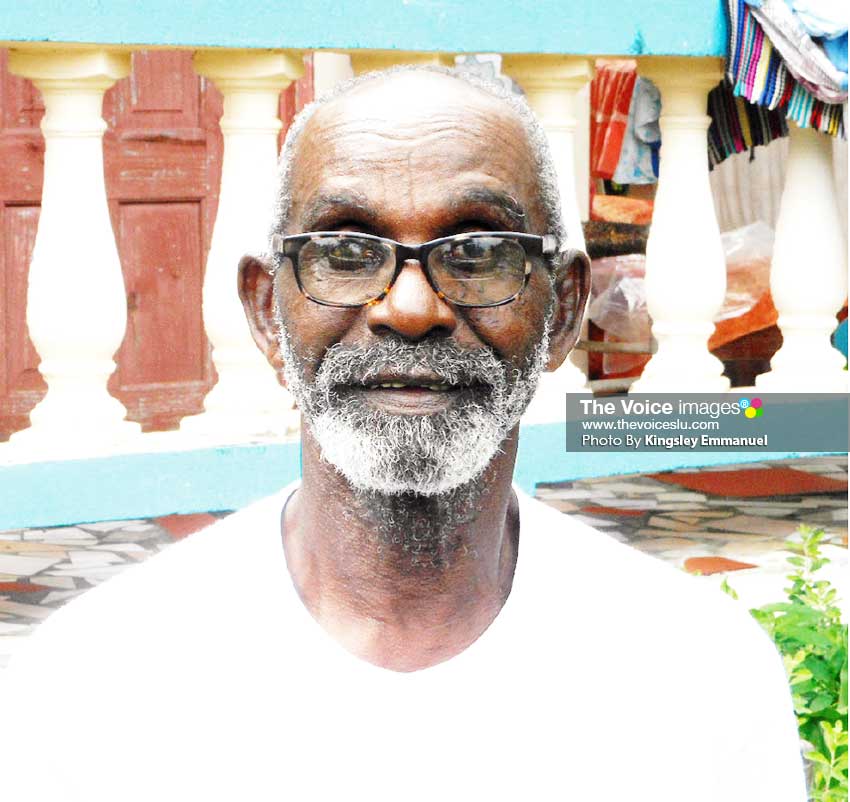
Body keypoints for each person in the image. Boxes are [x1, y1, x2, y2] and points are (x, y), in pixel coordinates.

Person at [1, 66, 806, 802]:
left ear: (561, 310)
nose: (411, 309)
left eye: (479, 250)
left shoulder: (703, 679)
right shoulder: (93, 687)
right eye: (346, 252)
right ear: (265, 314)